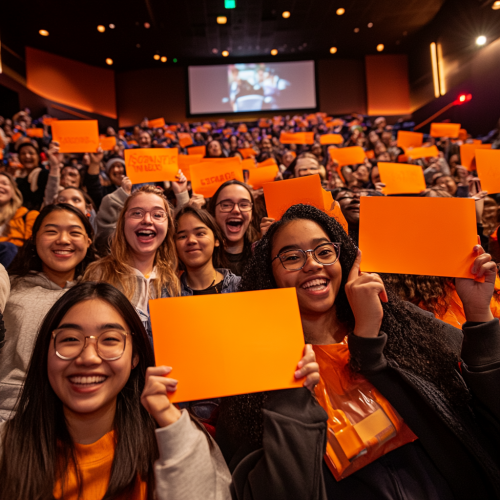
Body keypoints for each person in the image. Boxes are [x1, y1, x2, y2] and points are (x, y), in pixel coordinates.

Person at [235, 204, 500, 499]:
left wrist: (479, 315)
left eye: (324, 251)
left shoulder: (400, 324)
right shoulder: (260, 367)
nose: (312, 265)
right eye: (292, 257)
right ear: (269, 276)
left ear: (344, 259)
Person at [0, 281, 232, 500]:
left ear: (135, 357)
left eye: (110, 340)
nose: (88, 357)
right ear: (45, 352)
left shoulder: (178, 439)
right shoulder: (7, 446)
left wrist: (173, 428)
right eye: (70, 339)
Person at [0, 204, 97, 420]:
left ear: (88, 242)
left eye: (74, 232)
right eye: (51, 231)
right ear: (34, 239)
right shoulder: (8, 287)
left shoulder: (99, 297)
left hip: (77, 416)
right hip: (9, 415)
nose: (63, 239)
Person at [83, 185, 181, 338]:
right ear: (122, 223)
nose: (147, 220)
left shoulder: (173, 281)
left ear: (168, 225)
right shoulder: (99, 274)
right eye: (137, 213)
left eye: (158, 214)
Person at [174, 206, 240, 295]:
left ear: (216, 240)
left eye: (200, 233)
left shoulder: (241, 286)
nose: (191, 240)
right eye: (182, 236)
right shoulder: (167, 293)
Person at [207, 180, 260, 276]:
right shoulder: (203, 258)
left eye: (244, 205)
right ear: (213, 213)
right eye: (226, 205)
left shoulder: (260, 257)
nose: (236, 210)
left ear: (252, 215)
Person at [0, 172, 39, 267]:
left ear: (14, 191)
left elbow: (32, 249)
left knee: (9, 248)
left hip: (14, 268)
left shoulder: (29, 216)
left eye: (4, 183)